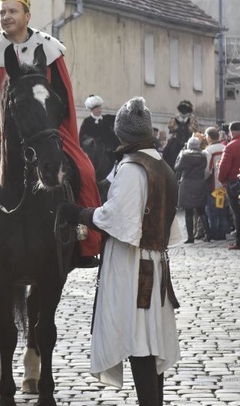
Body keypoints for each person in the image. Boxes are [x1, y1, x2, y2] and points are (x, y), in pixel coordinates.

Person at [0, 0, 101, 268]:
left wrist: (44, 123)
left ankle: (84, 239)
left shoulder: (49, 49)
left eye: (12, 11)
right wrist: (6, 124)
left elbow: (62, 96)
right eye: (2, 12)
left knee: (85, 170)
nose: (6, 16)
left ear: (27, 16)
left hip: (43, 128)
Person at [60, 97, 181, 406]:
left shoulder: (133, 168)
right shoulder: (162, 166)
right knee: (151, 342)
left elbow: (116, 218)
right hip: (153, 265)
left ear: (123, 134)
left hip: (134, 268)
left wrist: (79, 213)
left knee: (140, 342)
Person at [174, 137, 209, 244]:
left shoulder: (184, 156)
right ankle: (209, 234)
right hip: (199, 183)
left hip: (187, 184)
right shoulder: (203, 156)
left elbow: (177, 168)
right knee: (201, 210)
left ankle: (190, 237)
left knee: (188, 212)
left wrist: (180, 155)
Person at [217, 121, 240, 250]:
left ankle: (239, 241)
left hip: (235, 184)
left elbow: (224, 168)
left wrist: (222, 180)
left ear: (231, 132)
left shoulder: (230, 147)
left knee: (237, 214)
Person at [204, 127, 229, 241]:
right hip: (224, 184)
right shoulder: (225, 147)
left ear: (209, 137)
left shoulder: (208, 151)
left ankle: (214, 232)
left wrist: (204, 179)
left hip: (213, 185)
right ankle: (223, 232)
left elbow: (207, 170)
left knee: (213, 210)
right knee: (222, 209)